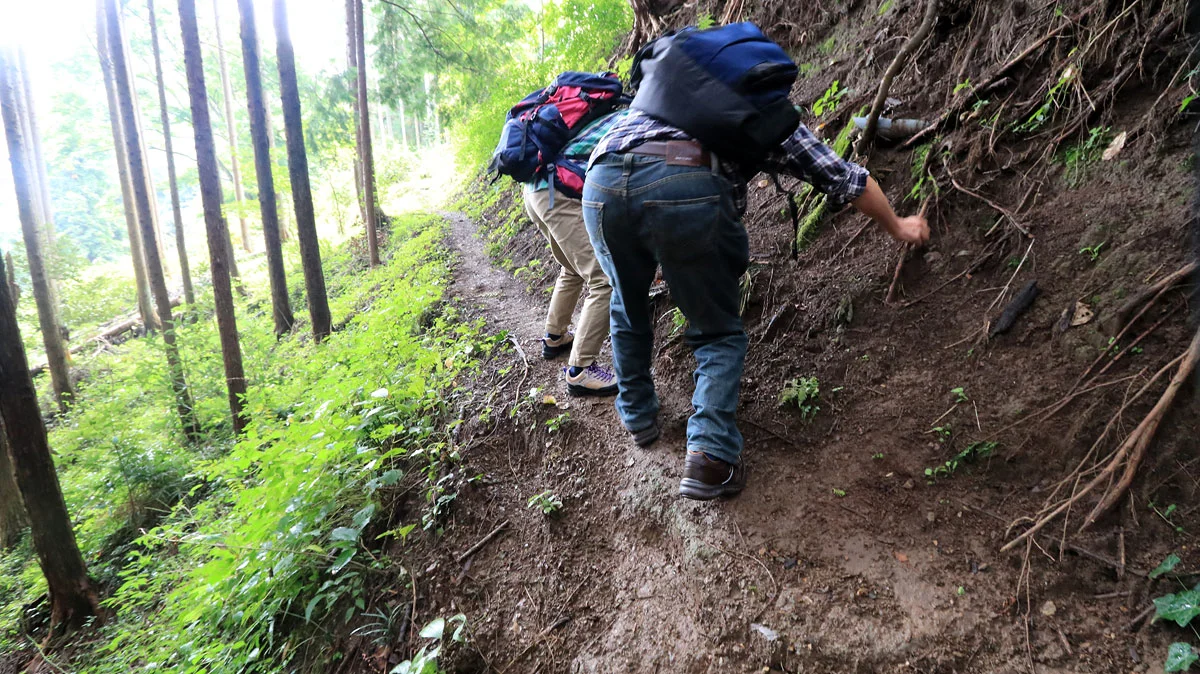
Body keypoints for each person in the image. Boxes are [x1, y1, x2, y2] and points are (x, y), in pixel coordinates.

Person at [583, 108, 930, 500]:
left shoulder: (666, 88)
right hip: (682, 182)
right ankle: (710, 456)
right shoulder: (761, 107)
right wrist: (897, 225)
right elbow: (846, 179)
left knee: (626, 300)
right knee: (716, 331)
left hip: (601, 177)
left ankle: (637, 417)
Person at [524, 110, 627, 397]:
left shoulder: (607, 114)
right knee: (604, 279)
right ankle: (581, 370)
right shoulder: (633, 119)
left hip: (536, 190)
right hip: (557, 193)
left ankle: (555, 336)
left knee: (572, 268)